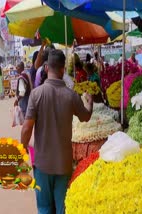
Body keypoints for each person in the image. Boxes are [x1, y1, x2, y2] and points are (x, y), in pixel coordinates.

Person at [21, 49, 93, 214]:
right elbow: (86, 117)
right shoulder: (71, 95)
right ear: (63, 70)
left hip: (42, 164)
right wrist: (90, 103)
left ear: (46, 68)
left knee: (45, 208)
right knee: (63, 208)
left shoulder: (36, 94)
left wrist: (23, 145)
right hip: (63, 164)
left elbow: (27, 127)